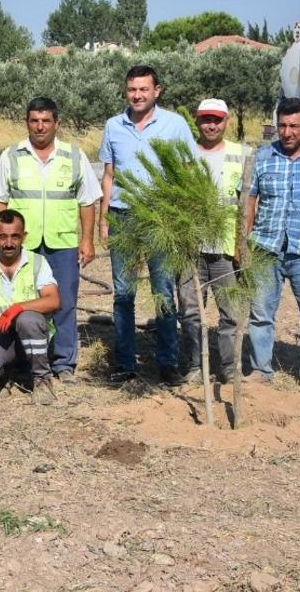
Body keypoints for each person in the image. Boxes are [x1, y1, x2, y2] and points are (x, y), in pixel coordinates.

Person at [0, 96, 100, 385]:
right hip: (22, 246)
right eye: (34, 121)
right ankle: (26, 361)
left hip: (61, 243)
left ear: (56, 123)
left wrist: (87, 240)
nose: (40, 127)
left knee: (63, 303)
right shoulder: (11, 156)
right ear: (27, 122)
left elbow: (87, 201)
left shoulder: (74, 156)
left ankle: (64, 362)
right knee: (22, 303)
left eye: (46, 121)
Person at [99, 65, 197, 385]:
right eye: (132, 89)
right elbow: (110, 175)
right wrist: (104, 219)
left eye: (143, 89)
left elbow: (186, 175)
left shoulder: (175, 124)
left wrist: (183, 221)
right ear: (125, 91)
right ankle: (126, 362)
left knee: (163, 292)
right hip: (123, 218)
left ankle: (167, 363)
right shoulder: (114, 126)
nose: (137, 95)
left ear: (157, 90)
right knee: (123, 294)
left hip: (161, 217)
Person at [244, 97, 300, 391]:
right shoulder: (262, 157)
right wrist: (245, 240)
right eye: (282, 125)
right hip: (266, 248)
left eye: (294, 126)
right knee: (260, 314)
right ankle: (259, 370)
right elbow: (250, 199)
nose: (287, 132)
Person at [176, 99, 251, 384]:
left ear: (226, 121)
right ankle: (195, 366)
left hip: (226, 249)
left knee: (230, 312)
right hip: (191, 247)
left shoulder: (242, 154)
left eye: (217, 120)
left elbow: (248, 203)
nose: (211, 125)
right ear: (196, 121)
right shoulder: (184, 155)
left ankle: (230, 368)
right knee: (191, 311)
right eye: (206, 119)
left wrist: (242, 245)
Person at [0, 210, 60, 405]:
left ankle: (42, 380)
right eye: (2, 237)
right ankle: (4, 374)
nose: (9, 243)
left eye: (15, 236)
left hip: (31, 336)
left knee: (28, 319)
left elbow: (54, 300)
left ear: (24, 236)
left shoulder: (37, 262)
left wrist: (18, 307)